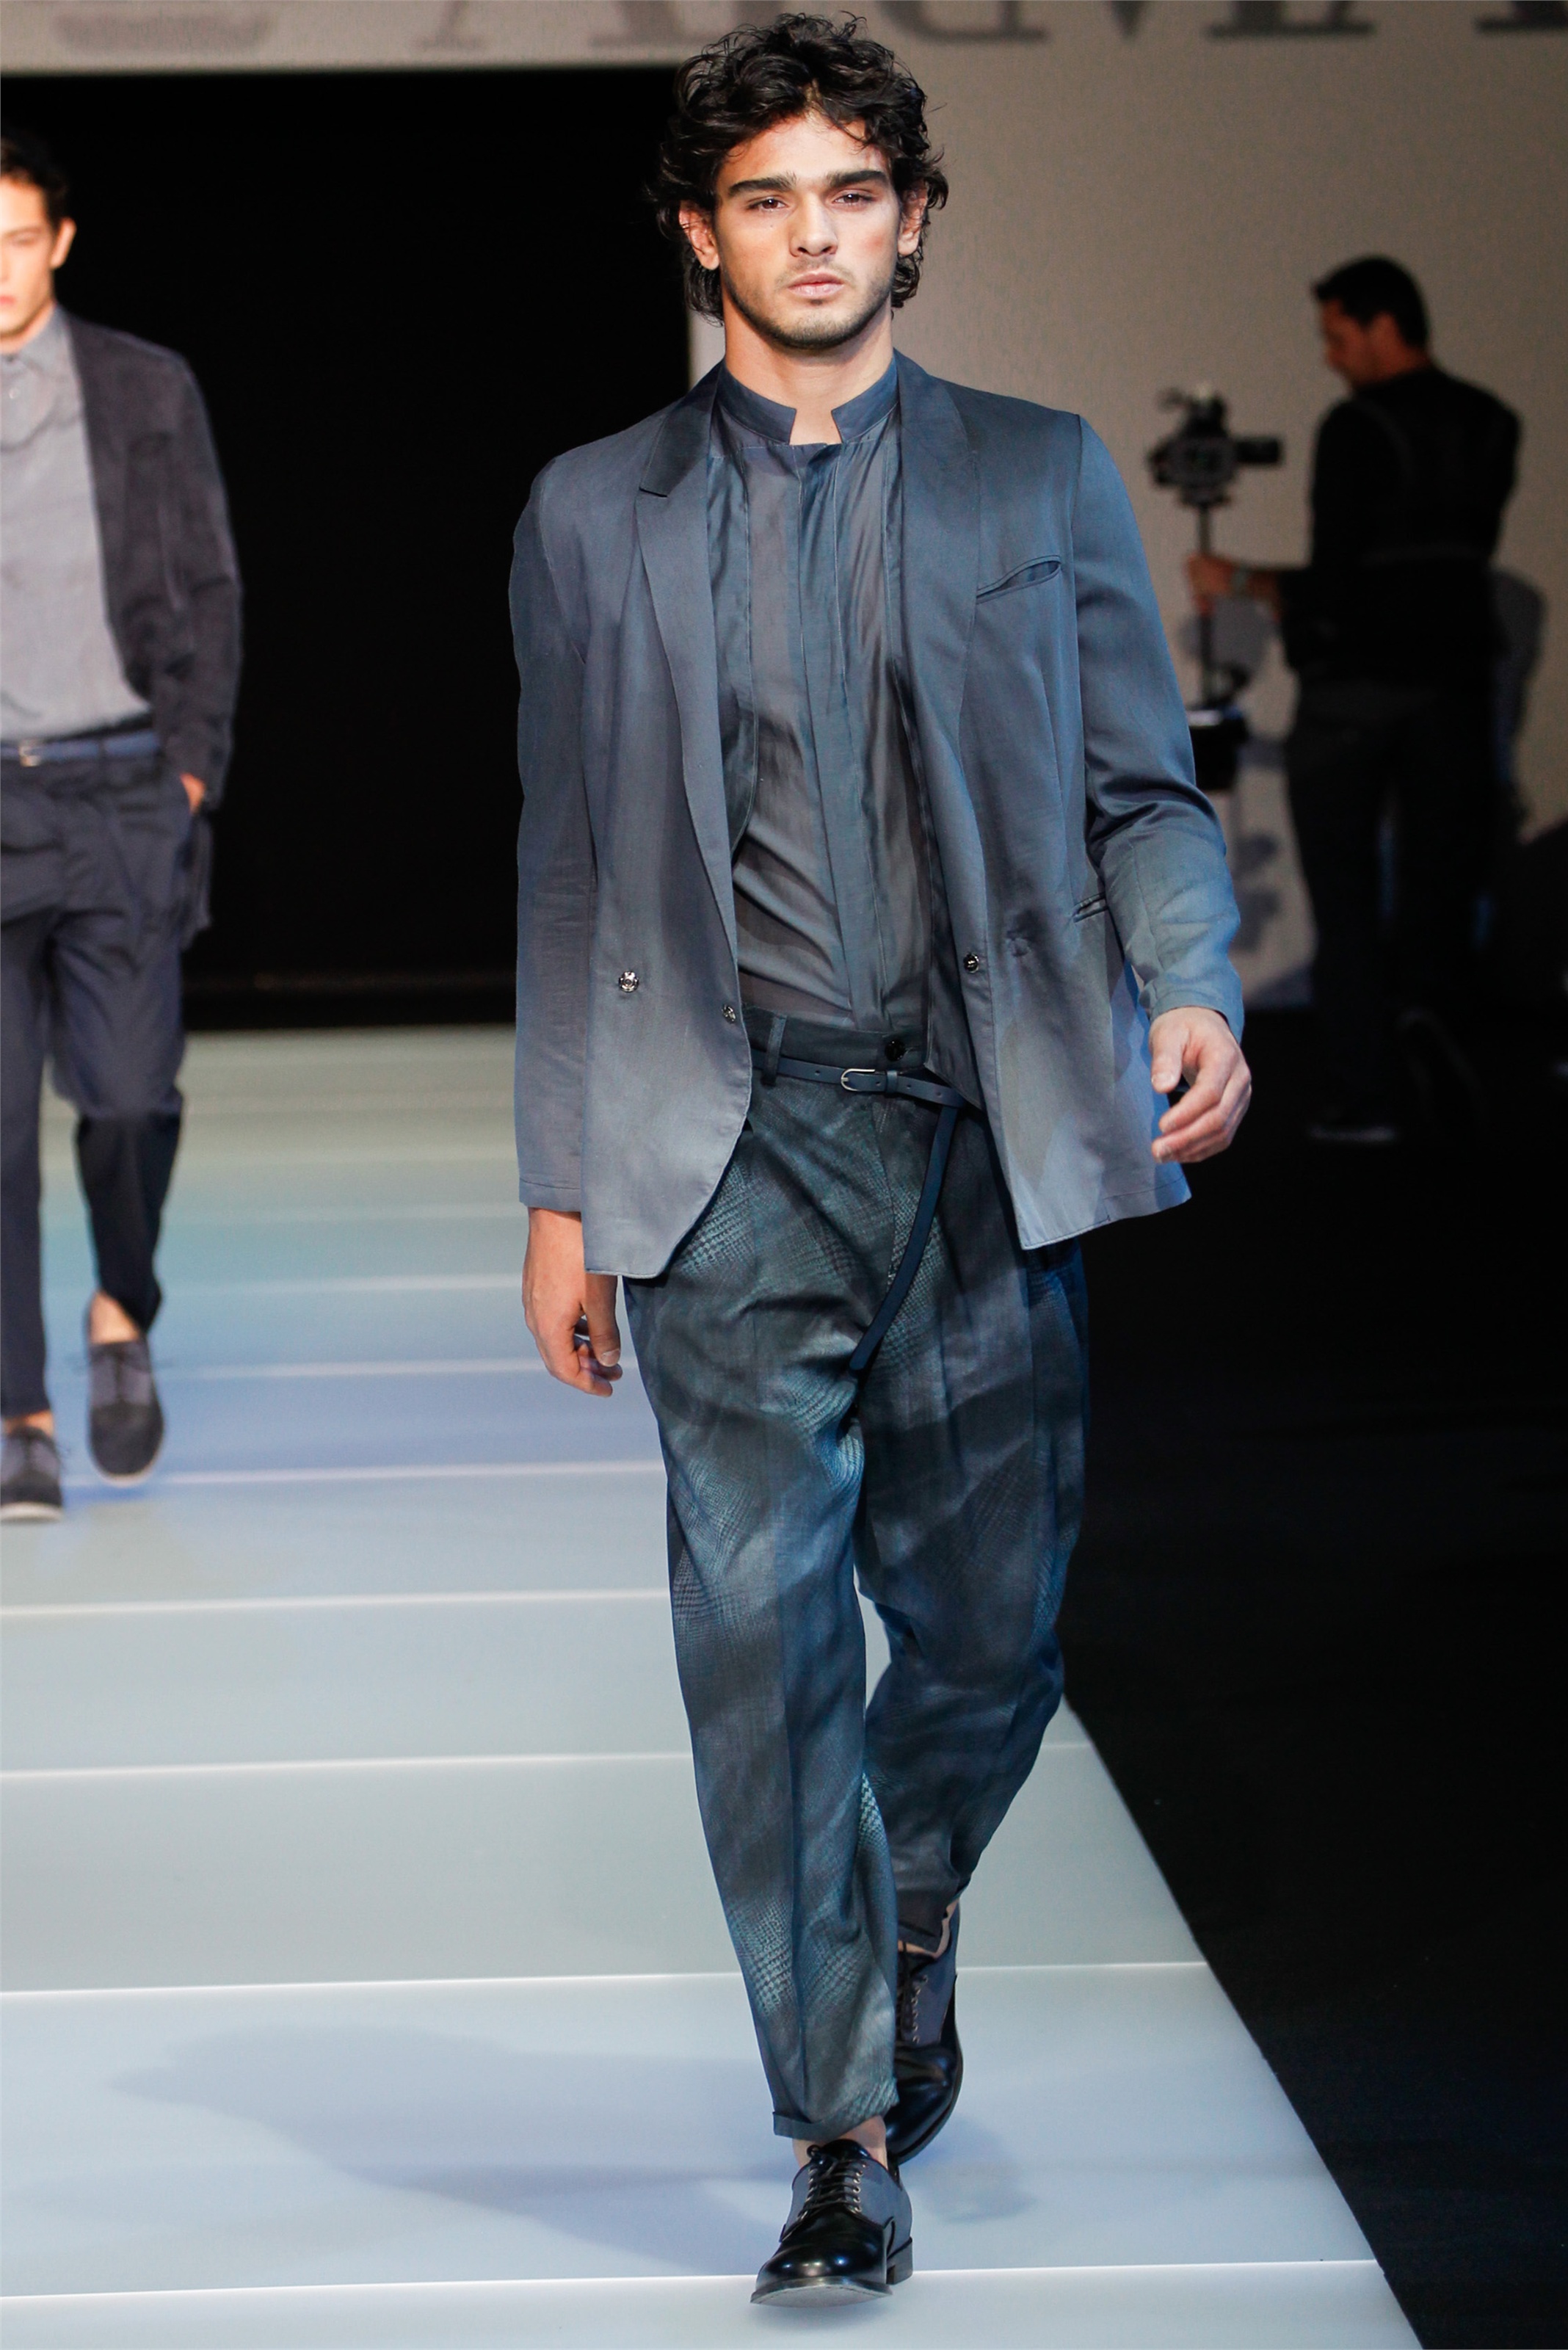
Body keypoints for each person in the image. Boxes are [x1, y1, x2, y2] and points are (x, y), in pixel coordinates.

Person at [513, 14, 1249, 2306]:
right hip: (725, 1148)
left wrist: (1193, 981)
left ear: (911, 218)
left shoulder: (1038, 476)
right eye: (768, 199)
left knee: (991, 1643)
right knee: (758, 1653)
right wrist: (560, 1183)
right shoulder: (592, 509)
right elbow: (567, 860)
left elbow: (1143, 785)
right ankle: (839, 2132)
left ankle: (904, 1907)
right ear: (698, 231)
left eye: (853, 193)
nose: (814, 235)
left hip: (990, 1135)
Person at [0, 126, 241, 1520]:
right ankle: (20, 1411)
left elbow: (210, 585)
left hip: (118, 790)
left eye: (17, 240)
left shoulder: (146, 388)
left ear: (62, 244)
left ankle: (119, 1309)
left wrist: (189, 773)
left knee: (132, 1100)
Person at [1188, 256, 1519, 1143]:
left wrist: (1240, 580)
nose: (1331, 357)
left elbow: (1345, 582)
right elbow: (1437, 566)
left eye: (1338, 337)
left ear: (1382, 325)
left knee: (1346, 895)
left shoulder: (1356, 427)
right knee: (1441, 886)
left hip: (1355, 697)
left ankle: (1368, 1096)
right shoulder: (1492, 424)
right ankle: (1434, 1034)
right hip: (1455, 686)